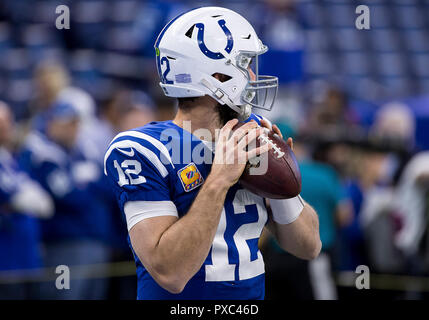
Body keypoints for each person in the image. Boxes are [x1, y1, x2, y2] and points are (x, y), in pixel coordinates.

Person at [104, 6, 321, 300]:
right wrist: (219, 180)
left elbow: (309, 246)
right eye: (245, 64)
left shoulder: (251, 132)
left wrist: (281, 187)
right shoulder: (141, 149)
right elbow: (171, 273)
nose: (253, 74)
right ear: (217, 76)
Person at [19, 101, 111, 299]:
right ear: (52, 123)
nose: (73, 129)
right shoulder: (43, 155)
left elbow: (107, 185)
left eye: (75, 124)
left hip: (95, 241)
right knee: (65, 295)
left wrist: (86, 185)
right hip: (63, 245)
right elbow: (70, 197)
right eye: (68, 124)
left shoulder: (83, 151)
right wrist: (89, 185)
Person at [0, 102, 53, 299]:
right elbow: (12, 196)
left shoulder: (11, 160)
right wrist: (18, 200)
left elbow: (43, 203)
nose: (4, 127)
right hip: (5, 262)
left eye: (6, 121)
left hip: (25, 258)